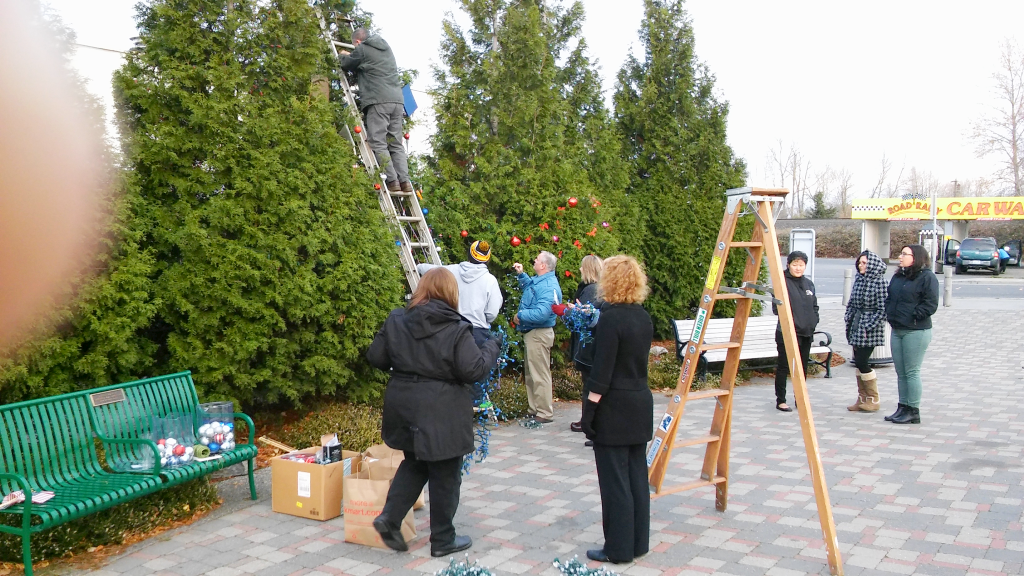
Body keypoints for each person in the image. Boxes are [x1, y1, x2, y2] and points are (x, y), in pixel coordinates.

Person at [365, 268, 500, 557]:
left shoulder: (397, 319)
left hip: (404, 404)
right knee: (446, 472)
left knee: (415, 461)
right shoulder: (456, 328)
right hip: (442, 408)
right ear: (451, 293)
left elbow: (376, 357)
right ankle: (443, 539)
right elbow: (474, 370)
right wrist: (492, 346)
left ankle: (390, 518)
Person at [578, 255, 653, 564]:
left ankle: (618, 548)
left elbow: (602, 372)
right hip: (640, 400)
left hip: (615, 405)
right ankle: (637, 542)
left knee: (615, 482)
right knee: (636, 476)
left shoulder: (610, 318)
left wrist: (589, 410)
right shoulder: (643, 316)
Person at [338, 28, 412, 194]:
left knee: (377, 141)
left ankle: (392, 180)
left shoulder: (362, 49)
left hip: (378, 101)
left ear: (358, 42)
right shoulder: (386, 48)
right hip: (397, 101)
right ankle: (405, 181)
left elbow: (347, 63)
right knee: (395, 143)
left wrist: (343, 54)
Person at [884, 244, 939, 425]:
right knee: (901, 372)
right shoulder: (899, 276)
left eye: (904, 254)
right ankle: (902, 407)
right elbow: (890, 298)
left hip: (916, 331)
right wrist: (890, 313)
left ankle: (913, 410)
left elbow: (930, 304)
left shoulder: (927, 277)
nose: (900, 257)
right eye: (901, 254)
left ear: (916, 257)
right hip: (897, 329)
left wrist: (913, 316)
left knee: (912, 372)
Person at [417, 240, 502, 346]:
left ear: (469, 254)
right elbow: (492, 313)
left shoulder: (451, 270)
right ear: (487, 259)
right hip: (476, 334)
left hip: (451, 329)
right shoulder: (490, 281)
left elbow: (430, 270)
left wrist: (418, 266)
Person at [512, 251, 562, 424]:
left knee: (539, 374)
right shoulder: (541, 281)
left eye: (537, 259)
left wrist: (521, 315)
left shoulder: (549, 286)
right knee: (532, 374)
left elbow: (542, 313)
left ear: (543, 265)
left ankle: (544, 412)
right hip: (534, 333)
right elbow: (532, 288)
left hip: (539, 334)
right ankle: (535, 409)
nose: (534, 260)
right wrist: (521, 275)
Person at [772, 251, 819, 412]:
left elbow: (814, 306)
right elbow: (776, 308)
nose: (798, 268)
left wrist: (814, 321)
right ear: (788, 265)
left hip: (806, 332)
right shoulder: (782, 282)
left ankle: (800, 398)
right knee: (784, 366)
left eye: (801, 265)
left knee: (802, 367)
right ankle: (781, 400)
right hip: (787, 332)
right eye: (795, 264)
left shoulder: (808, 284)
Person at [844, 250, 888, 412]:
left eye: (864, 263)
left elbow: (883, 310)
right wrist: (848, 317)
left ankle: (873, 398)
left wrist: (868, 325)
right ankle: (862, 398)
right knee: (858, 360)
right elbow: (851, 302)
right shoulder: (859, 280)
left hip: (869, 328)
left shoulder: (880, 282)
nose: (860, 266)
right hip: (856, 324)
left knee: (862, 361)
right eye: (859, 263)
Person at [570, 255, 603, 435]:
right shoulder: (596, 288)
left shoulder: (590, 290)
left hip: (588, 344)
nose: (580, 270)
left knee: (589, 384)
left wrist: (573, 311)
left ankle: (588, 420)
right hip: (591, 343)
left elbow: (586, 318)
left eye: (583, 267)